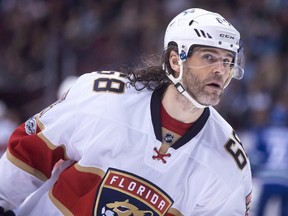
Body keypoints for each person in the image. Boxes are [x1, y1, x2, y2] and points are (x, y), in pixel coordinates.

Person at [0, 8, 252, 216]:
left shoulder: (227, 162)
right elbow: (30, 152)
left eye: (228, 61)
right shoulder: (103, 99)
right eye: (209, 57)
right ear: (176, 60)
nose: (221, 70)